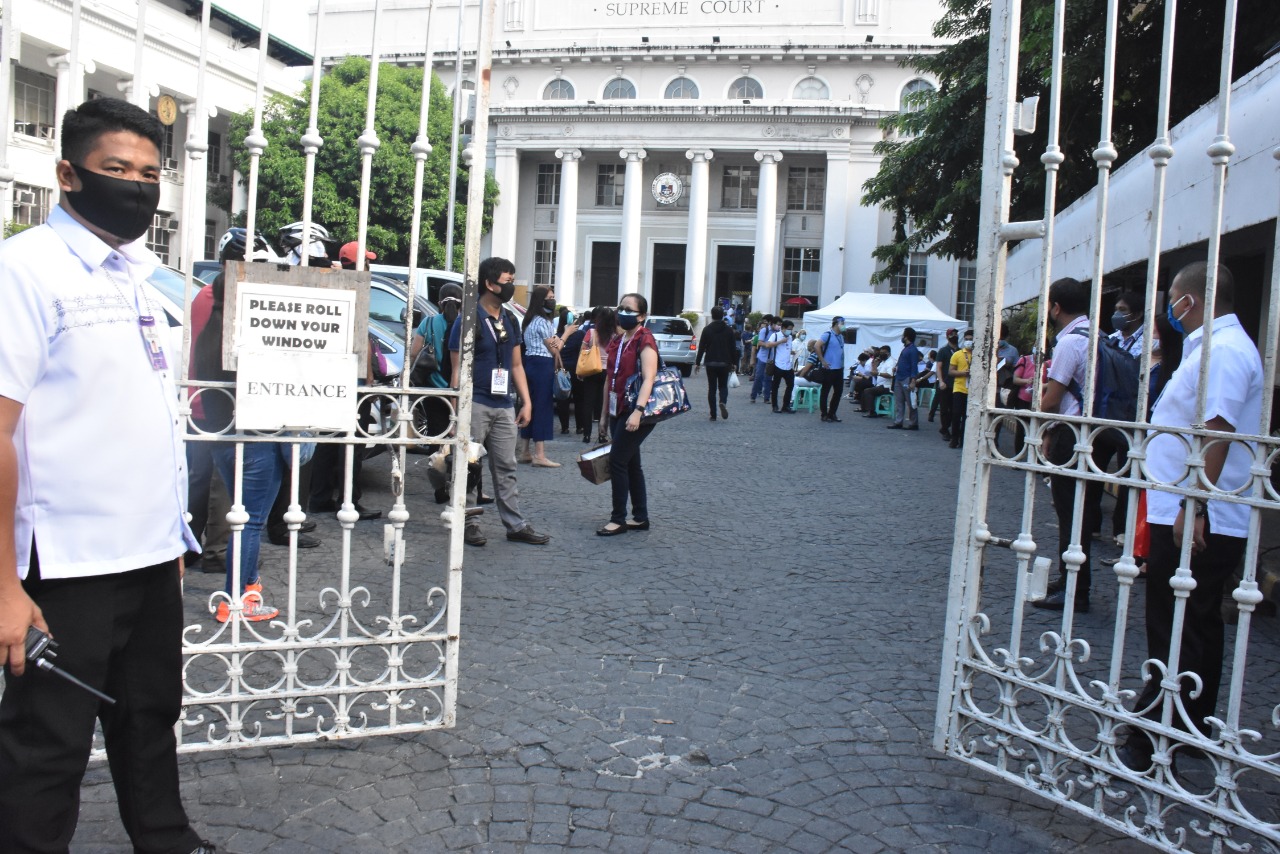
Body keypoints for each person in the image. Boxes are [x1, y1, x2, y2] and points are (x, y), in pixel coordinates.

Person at [0, 97, 214, 854]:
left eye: (151, 173)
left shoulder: (138, 277)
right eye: (116, 170)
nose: (137, 186)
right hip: (62, 563)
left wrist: (174, 543)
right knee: (44, 746)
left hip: (149, 556)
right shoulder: (24, 269)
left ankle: (165, 837)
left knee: (150, 715)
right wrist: (4, 586)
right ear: (67, 174)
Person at [1117, 263, 1262, 772]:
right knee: (1193, 619)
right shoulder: (1212, 347)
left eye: (1172, 301)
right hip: (1190, 507)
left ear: (1190, 301)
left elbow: (1215, 430)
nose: (1168, 311)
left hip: (1198, 513)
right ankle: (1186, 724)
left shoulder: (1222, 351)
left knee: (1175, 621)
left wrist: (1192, 505)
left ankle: (1157, 729)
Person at [448, 257, 550, 546]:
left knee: (507, 466)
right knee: (469, 465)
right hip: (474, 403)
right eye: (507, 281)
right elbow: (457, 369)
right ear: (489, 284)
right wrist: (456, 411)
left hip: (504, 404)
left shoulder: (509, 318)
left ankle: (515, 524)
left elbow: (516, 365)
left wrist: (526, 402)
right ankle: (469, 521)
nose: (511, 286)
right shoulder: (467, 318)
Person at [1033, 278, 1101, 613]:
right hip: (1095, 435)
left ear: (1056, 307)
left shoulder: (1070, 343)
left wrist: (1037, 420)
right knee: (1082, 513)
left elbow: (1052, 400)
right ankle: (1074, 579)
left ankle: (1075, 587)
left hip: (1071, 435)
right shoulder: (1096, 336)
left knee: (1070, 513)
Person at [597, 293, 659, 536]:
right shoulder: (619, 340)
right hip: (617, 408)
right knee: (632, 463)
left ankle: (618, 518)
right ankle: (640, 516)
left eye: (628, 309)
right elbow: (608, 380)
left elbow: (649, 378)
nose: (622, 312)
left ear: (642, 316)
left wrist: (638, 412)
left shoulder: (645, 339)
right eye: (620, 307)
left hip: (636, 411)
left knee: (618, 461)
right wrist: (603, 415)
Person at [517, 285, 574, 467]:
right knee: (542, 407)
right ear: (541, 301)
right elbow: (555, 349)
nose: (553, 300)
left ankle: (525, 450)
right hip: (542, 365)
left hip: (530, 363)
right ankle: (539, 455)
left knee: (530, 405)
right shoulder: (543, 322)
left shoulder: (529, 320)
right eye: (550, 297)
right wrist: (567, 333)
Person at [695, 304, 737, 421]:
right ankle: (722, 401)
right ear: (723, 315)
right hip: (725, 362)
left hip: (711, 362)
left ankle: (713, 414)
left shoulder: (707, 329)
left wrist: (698, 362)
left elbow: (702, 347)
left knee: (712, 388)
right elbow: (733, 348)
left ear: (712, 316)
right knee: (723, 386)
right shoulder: (729, 330)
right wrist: (734, 362)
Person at [578, 307, 614, 443]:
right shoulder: (614, 336)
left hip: (592, 369)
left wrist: (580, 370)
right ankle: (602, 434)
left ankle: (586, 434)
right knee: (603, 404)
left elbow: (583, 350)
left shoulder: (591, 332)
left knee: (588, 402)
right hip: (608, 372)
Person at [888, 327, 921, 430]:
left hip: (906, 378)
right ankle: (899, 421)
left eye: (903, 335)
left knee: (910, 402)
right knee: (899, 401)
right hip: (899, 377)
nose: (902, 337)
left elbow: (914, 365)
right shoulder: (907, 348)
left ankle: (913, 423)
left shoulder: (912, 350)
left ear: (906, 337)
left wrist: (913, 380)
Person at [817, 315, 846, 422]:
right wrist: (822, 360)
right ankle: (824, 414)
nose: (843, 326)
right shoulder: (827, 334)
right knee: (825, 391)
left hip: (839, 368)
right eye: (842, 324)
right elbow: (817, 345)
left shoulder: (841, 336)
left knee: (838, 391)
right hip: (829, 368)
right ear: (835, 324)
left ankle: (832, 413)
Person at [948, 331, 975, 448]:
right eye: (967, 339)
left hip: (973, 390)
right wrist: (963, 373)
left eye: (971, 339)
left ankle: (964, 439)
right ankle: (954, 438)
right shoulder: (958, 354)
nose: (968, 341)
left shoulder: (979, 355)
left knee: (967, 416)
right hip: (959, 388)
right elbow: (951, 371)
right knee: (956, 414)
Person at [766, 320, 798, 414]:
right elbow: (768, 345)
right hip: (777, 364)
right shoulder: (775, 335)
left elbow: (787, 348)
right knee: (775, 386)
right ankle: (775, 406)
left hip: (788, 365)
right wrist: (780, 341)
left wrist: (792, 352)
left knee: (790, 385)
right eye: (788, 329)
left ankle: (786, 405)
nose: (790, 331)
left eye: (791, 330)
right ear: (783, 328)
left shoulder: (790, 337)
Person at [935, 328, 959, 437]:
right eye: (952, 334)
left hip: (957, 384)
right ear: (947, 336)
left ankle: (948, 427)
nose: (955, 336)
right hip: (946, 383)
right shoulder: (943, 351)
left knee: (954, 410)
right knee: (944, 408)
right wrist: (941, 381)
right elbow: (939, 367)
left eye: (956, 334)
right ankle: (945, 429)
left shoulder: (960, 351)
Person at [750, 316, 776, 404]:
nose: (778, 326)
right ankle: (753, 396)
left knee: (768, 378)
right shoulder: (765, 330)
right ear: (771, 323)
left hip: (771, 358)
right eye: (777, 324)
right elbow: (759, 342)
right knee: (758, 377)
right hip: (762, 357)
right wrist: (767, 344)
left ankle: (767, 398)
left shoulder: (777, 332)